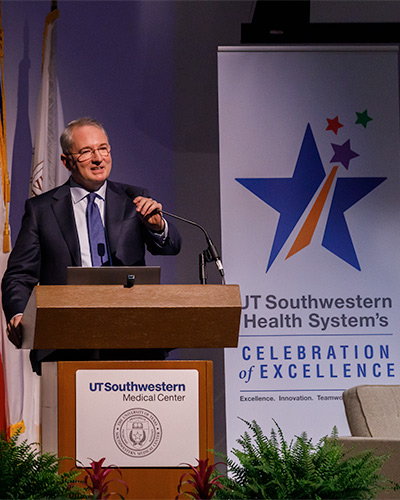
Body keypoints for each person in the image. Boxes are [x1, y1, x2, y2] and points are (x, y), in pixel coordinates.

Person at [2, 117, 181, 372]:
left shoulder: (133, 198)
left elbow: (171, 246)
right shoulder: (42, 210)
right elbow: (18, 276)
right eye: (86, 152)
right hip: (65, 342)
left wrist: (157, 227)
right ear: (66, 161)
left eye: (103, 148)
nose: (98, 158)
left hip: (133, 339)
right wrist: (19, 315)